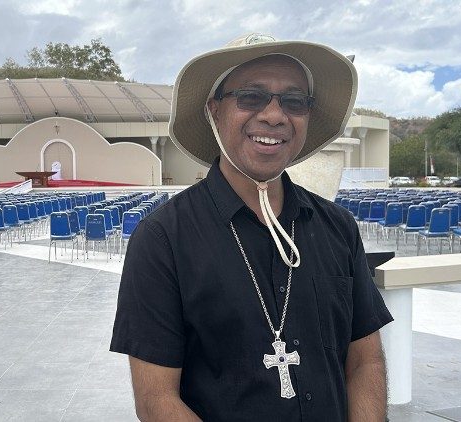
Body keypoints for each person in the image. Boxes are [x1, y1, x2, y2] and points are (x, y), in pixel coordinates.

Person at [110, 34, 393, 421]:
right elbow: (157, 399)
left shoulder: (337, 227)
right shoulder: (163, 240)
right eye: (251, 96)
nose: (274, 115)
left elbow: (365, 361)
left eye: (294, 101)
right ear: (214, 110)